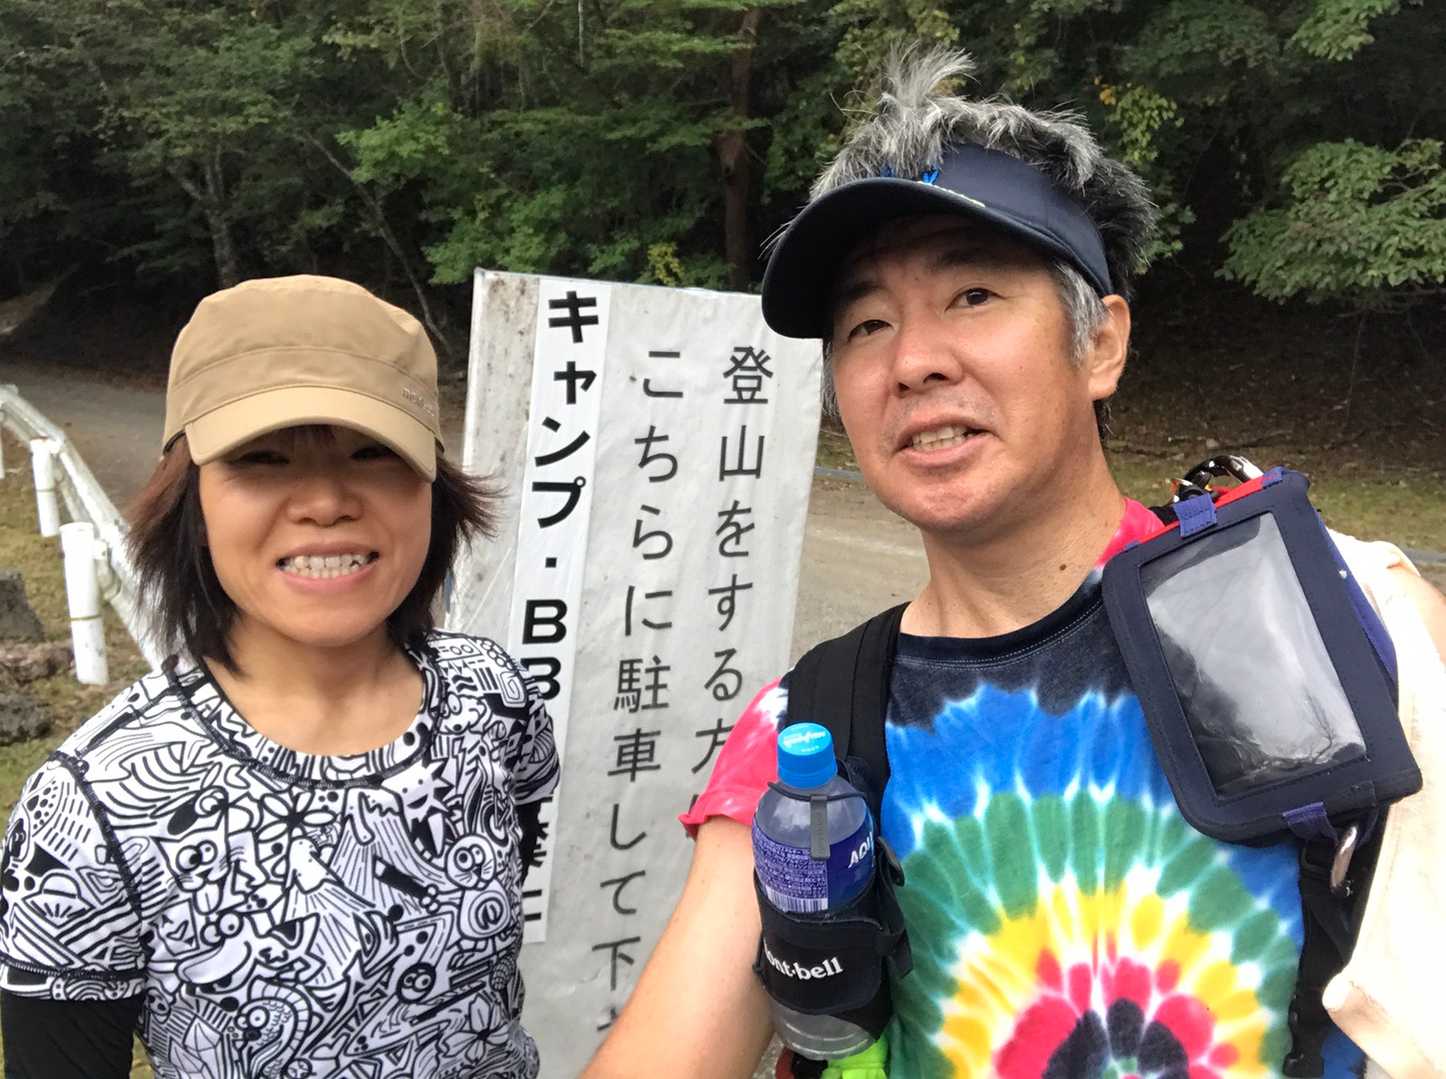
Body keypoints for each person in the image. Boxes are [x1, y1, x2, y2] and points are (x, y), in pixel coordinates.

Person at [584, 48, 1446, 1079]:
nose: (913, 360)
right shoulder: (810, 731)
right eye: (866, 323)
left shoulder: (1338, 612)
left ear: (1101, 344)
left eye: (975, 294)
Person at [0, 275, 559, 1078]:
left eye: (373, 452)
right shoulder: (91, 808)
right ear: (191, 500)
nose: (326, 501)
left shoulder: (494, 699)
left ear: (433, 487)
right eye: (262, 459)